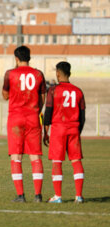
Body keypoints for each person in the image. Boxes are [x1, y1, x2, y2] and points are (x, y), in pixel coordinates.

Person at [2, 45, 46, 203]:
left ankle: (20, 195)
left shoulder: (10, 74)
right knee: (35, 158)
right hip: (33, 117)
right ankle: (38, 195)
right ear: (29, 57)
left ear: (16, 58)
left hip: (15, 118)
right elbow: (42, 98)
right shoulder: (39, 74)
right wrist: (35, 111)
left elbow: (5, 96)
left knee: (16, 157)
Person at [43, 61, 85, 204]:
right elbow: (82, 116)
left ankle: (58, 196)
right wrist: (77, 131)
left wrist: (45, 132)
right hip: (73, 128)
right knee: (76, 161)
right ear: (70, 73)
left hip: (58, 129)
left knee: (57, 162)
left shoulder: (53, 90)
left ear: (58, 73)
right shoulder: (78, 91)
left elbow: (48, 112)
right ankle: (78, 196)